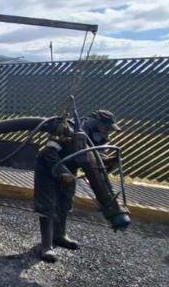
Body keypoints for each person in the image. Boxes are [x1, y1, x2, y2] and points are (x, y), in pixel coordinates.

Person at [34, 110, 127, 262]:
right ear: (95, 124)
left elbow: (93, 163)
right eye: (105, 129)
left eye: (109, 130)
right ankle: (46, 246)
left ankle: (59, 235)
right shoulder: (65, 129)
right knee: (48, 206)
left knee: (65, 203)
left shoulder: (95, 141)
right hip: (47, 167)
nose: (107, 134)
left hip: (70, 168)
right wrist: (63, 173)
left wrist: (109, 163)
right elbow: (49, 152)